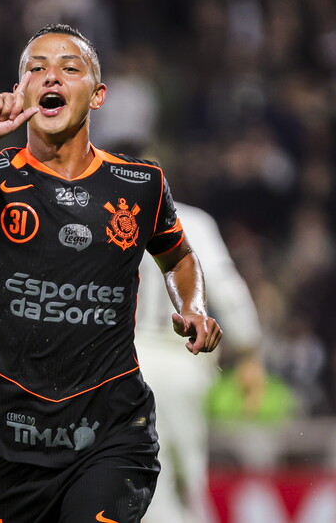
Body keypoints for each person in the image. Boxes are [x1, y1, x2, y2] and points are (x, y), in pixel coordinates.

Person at [0, 23, 222, 523]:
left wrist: (193, 307)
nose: (51, 76)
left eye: (69, 68)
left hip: (114, 434)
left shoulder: (139, 183)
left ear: (97, 96)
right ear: (19, 91)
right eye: (37, 68)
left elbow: (178, 255)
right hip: (16, 444)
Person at [135, 202, 263, 523]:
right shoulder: (191, 220)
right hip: (181, 358)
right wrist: (249, 352)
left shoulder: (104, 217)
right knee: (186, 483)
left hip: (123, 361)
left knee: (137, 477)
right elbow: (227, 287)